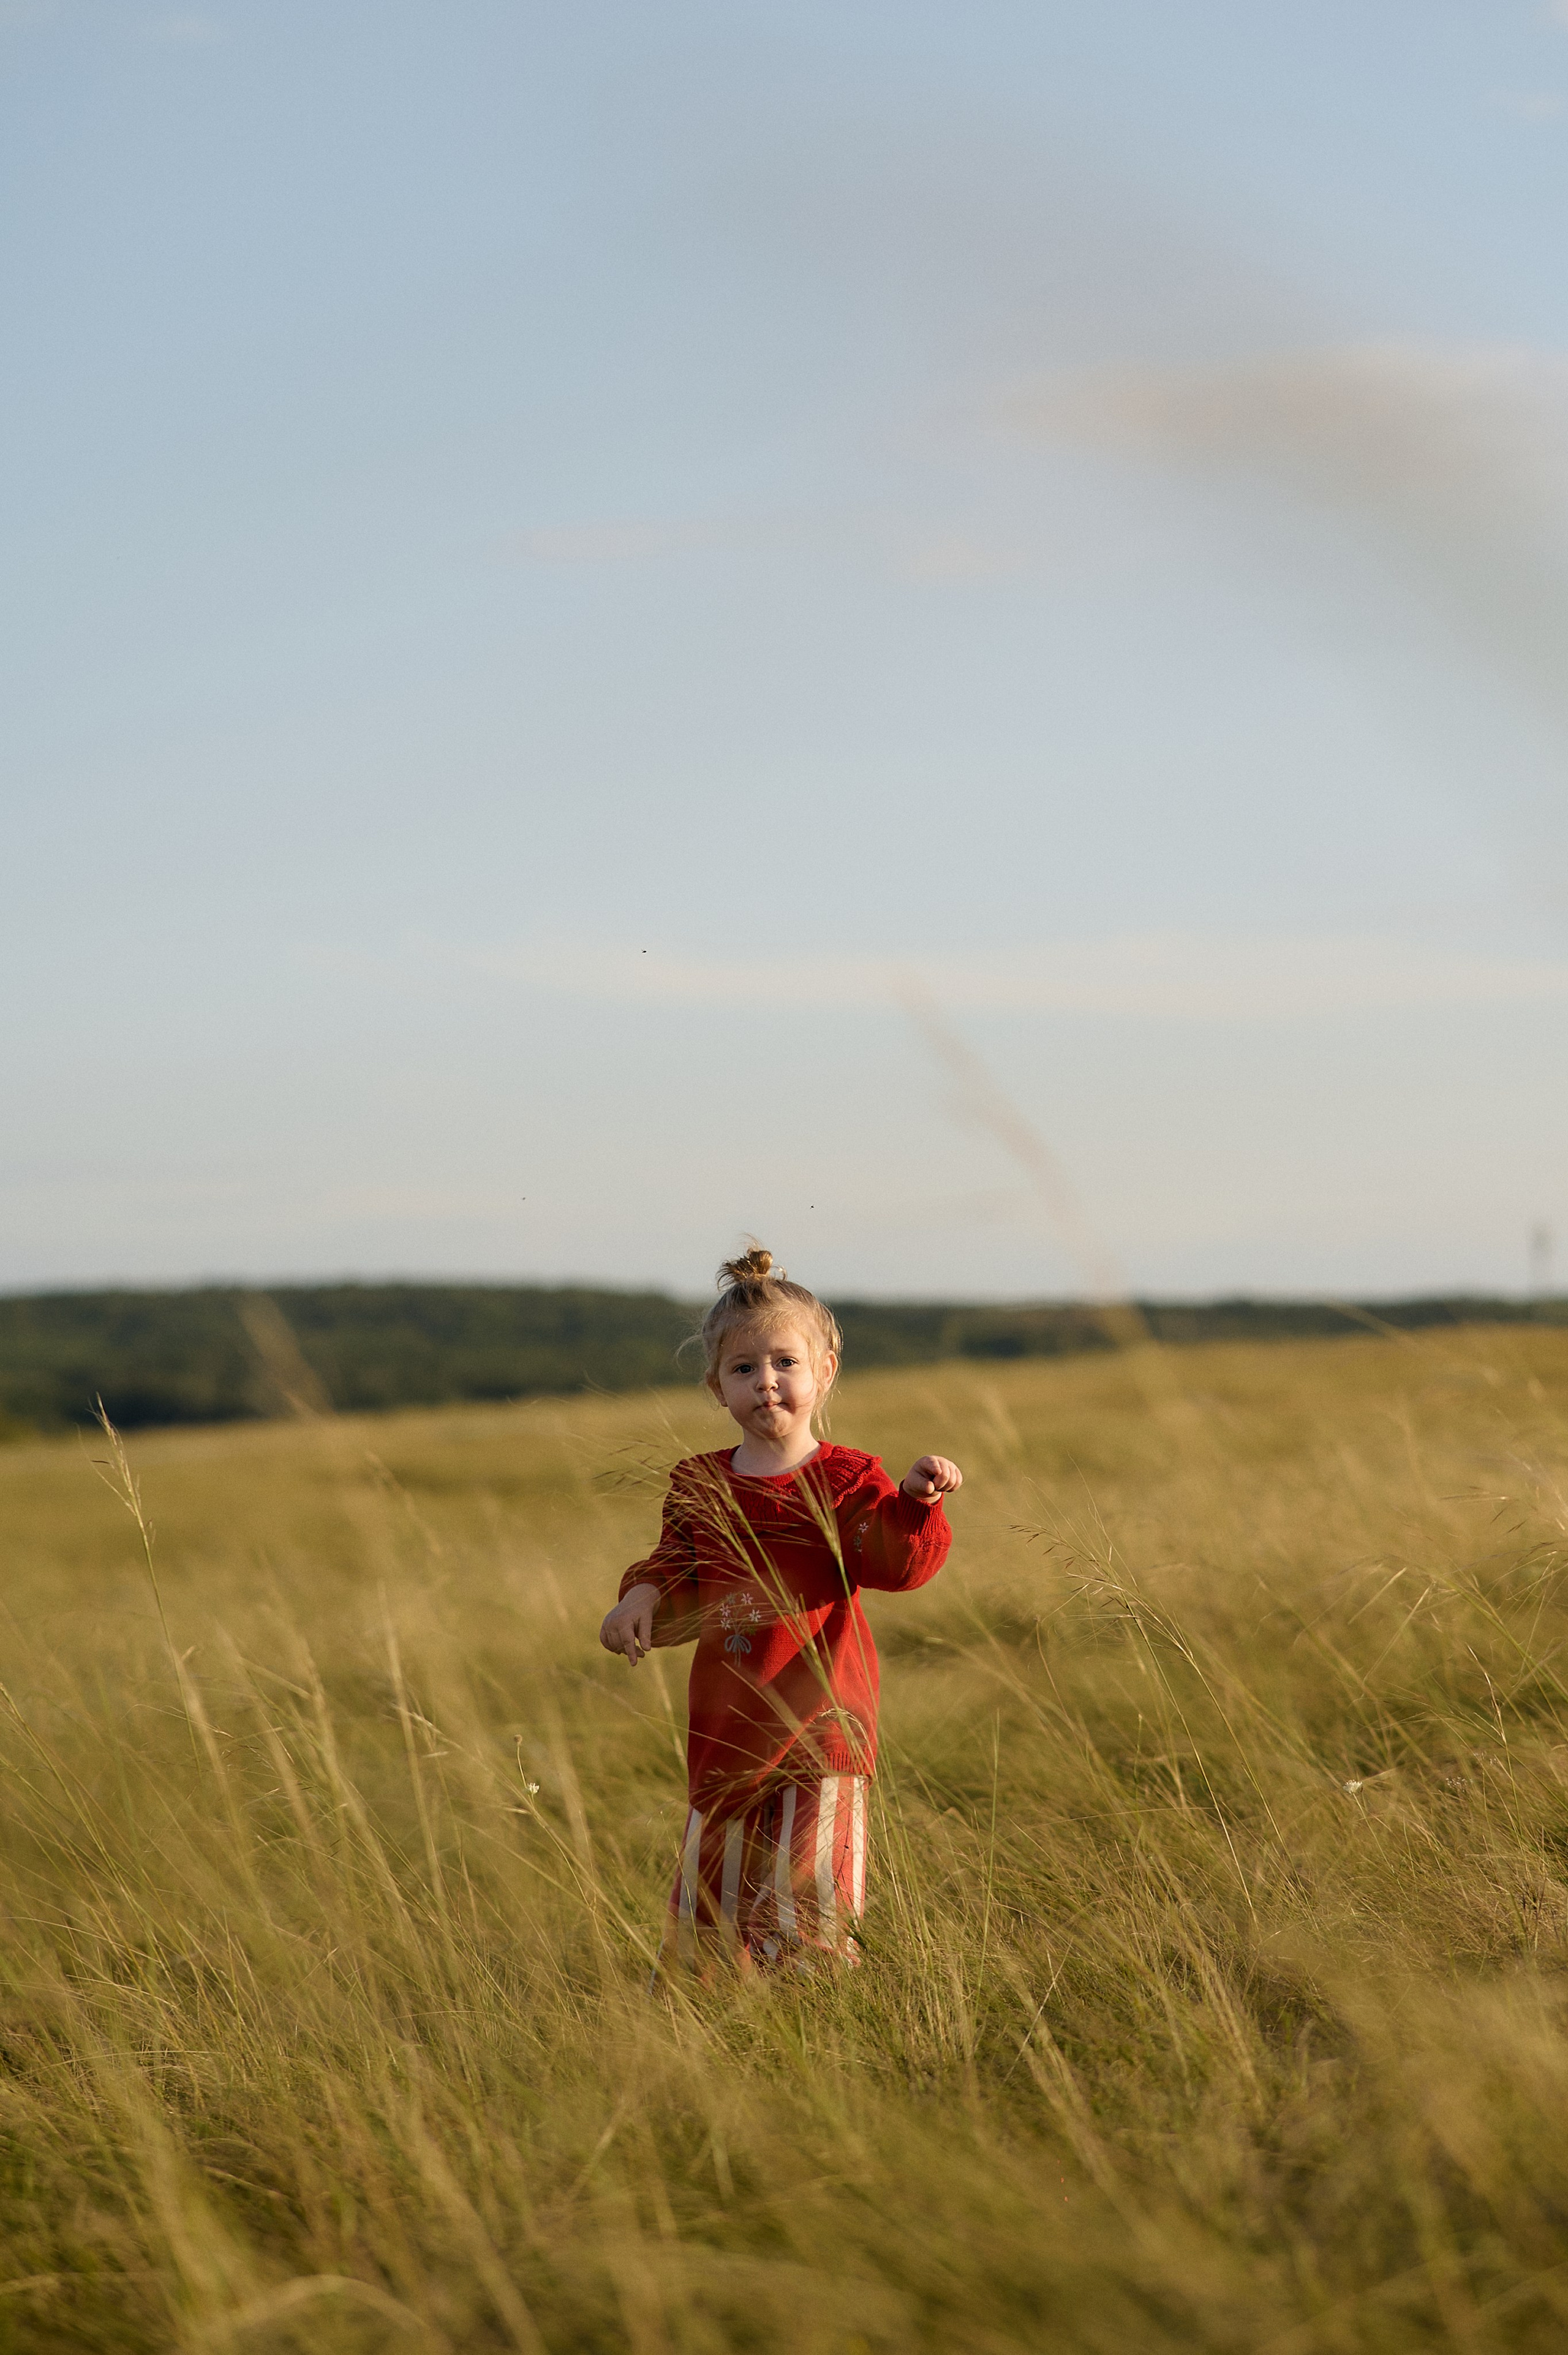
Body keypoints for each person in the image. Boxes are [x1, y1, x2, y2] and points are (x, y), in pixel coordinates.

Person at [599, 1245, 962, 1974]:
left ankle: (819, 2030)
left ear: (824, 1370)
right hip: (729, 1732)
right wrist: (638, 1597)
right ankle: (719, 2036)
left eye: (784, 1364)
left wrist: (915, 1502)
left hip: (823, 1731)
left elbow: (892, 1565)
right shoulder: (700, 1481)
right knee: (712, 1914)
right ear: (717, 1388)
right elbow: (677, 1565)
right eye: (743, 1369)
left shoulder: (847, 1476)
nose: (766, 1383)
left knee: (808, 1912)